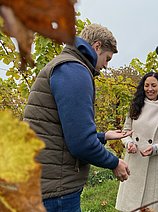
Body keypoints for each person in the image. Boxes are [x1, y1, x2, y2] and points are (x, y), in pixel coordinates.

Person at [23, 23, 132, 212]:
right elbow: (81, 143)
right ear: (96, 46)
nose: (106, 66)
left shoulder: (65, 66)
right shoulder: (74, 71)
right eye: (107, 58)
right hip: (57, 191)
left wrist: (103, 136)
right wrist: (114, 163)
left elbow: (61, 134)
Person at [115, 72, 158, 212]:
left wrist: (155, 148)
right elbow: (126, 132)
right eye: (147, 85)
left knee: (150, 207)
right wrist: (129, 143)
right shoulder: (135, 106)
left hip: (153, 164)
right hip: (133, 160)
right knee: (130, 205)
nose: (150, 89)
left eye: (153, 85)